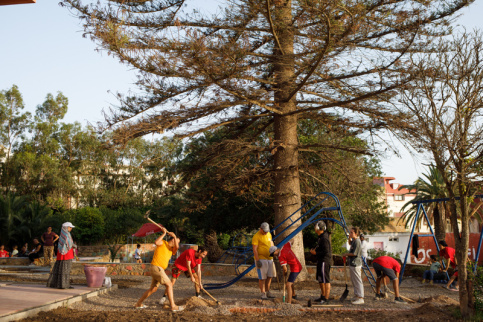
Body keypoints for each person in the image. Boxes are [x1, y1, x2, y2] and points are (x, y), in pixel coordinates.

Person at [135, 225, 183, 311]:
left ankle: (138, 304)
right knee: (169, 284)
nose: (177, 243)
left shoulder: (172, 250)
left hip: (159, 269)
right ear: (172, 240)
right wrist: (164, 233)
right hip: (156, 267)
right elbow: (156, 242)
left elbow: (177, 247)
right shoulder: (163, 243)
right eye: (176, 241)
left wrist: (175, 236)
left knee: (153, 289)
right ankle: (173, 306)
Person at [47, 222, 76, 289]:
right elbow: (69, 244)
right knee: (65, 270)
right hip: (67, 254)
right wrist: (76, 246)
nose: (71, 228)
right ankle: (64, 285)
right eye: (70, 227)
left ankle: (58, 284)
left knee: (60, 269)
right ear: (67, 227)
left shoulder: (62, 235)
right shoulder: (67, 235)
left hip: (61, 254)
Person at [252, 222, 275, 299]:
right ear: (260, 229)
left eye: (267, 231)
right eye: (264, 231)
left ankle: (268, 291)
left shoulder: (269, 234)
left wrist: (273, 251)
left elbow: (271, 243)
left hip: (270, 258)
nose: (265, 232)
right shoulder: (256, 236)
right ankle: (263, 293)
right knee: (262, 277)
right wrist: (257, 260)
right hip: (261, 259)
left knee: (270, 276)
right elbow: (255, 249)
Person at [310, 221, 332, 304]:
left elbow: (326, 252)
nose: (315, 228)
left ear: (319, 228)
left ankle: (326, 298)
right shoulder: (320, 237)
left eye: (316, 227)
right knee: (320, 279)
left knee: (325, 279)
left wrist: (316, 253)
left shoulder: (324, 238)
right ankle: (322, 296)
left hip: (324, 261)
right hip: (320, 260)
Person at [343, 227, 364, 304]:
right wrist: (349, 238)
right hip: (352, 263)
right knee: (354, 280)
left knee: (358, 281)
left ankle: (361, 297)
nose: (350, 234)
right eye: (350, 232)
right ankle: (356, 295)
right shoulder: (353, 241)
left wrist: (346, 254)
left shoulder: (357, 241)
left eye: (352, 232)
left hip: (356, 263)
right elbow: (349, 244)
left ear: (356, 233)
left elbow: (354, 253)